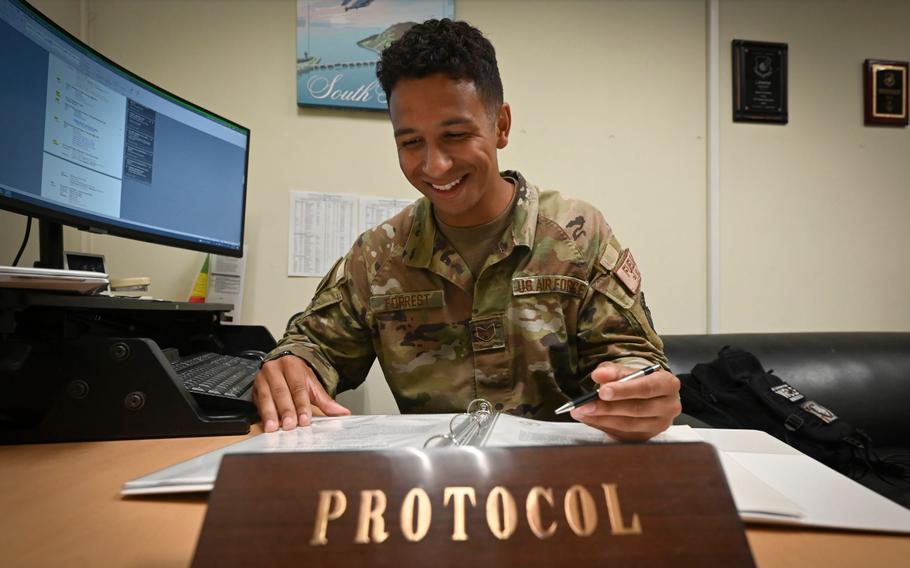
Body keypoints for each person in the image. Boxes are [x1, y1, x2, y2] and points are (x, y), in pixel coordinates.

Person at [254, 19, 680, 441]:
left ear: (501, 126)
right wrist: (293, 365)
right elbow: (314, 346)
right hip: (437, 488)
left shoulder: (577, 234)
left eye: (455, 135)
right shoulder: (379, 255)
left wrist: (640, 394)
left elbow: (632, 360)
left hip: (558, 482)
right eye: (410, 143)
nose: (434, 166)